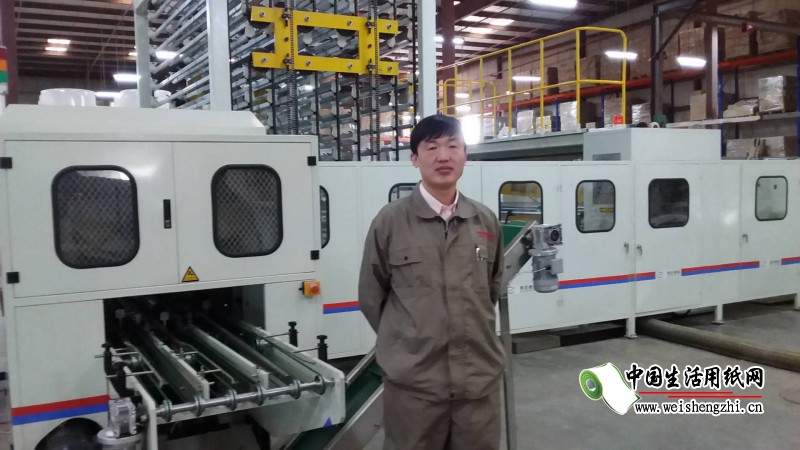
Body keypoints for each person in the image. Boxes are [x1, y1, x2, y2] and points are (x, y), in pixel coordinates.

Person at [358, 114, 505, 450]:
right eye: (432, 147)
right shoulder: (391, 222)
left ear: (465, 155)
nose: (444, 156)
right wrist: (407, 341)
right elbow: (371, 296)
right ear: (414, 159)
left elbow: (492, 289)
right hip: (415, 387)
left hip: (477, 383)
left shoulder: (484, 220)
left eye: (453, 146)